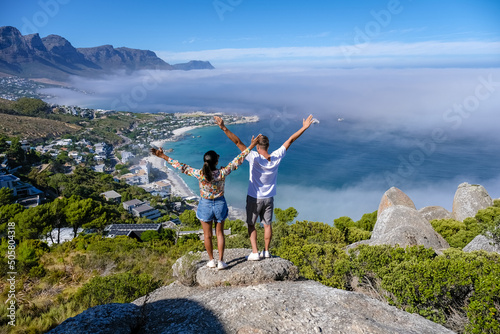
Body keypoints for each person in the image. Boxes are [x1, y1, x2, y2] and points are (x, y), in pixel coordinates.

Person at [150, 134, 261, 269]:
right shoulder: (222, 173)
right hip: (220, 203)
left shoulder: (199, 174)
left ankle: (211, 260)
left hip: (205, 204)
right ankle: (221, 261)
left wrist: (163, 157)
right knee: (219, 233)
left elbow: (181, 167)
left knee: (207, 235)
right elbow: (239, 159)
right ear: (215, 162)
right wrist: (251, 146)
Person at [214, 115, 314, 261]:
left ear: (257, 146)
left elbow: (237, 142)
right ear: (268, 146)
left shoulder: (253, 156)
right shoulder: (276, 157)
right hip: (269, 198)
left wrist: (223, 127)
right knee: (267, 225)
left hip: (254, 197)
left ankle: (255, 252)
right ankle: (266, 251)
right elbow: (290, 140)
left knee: (251, 224)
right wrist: (304, 127)